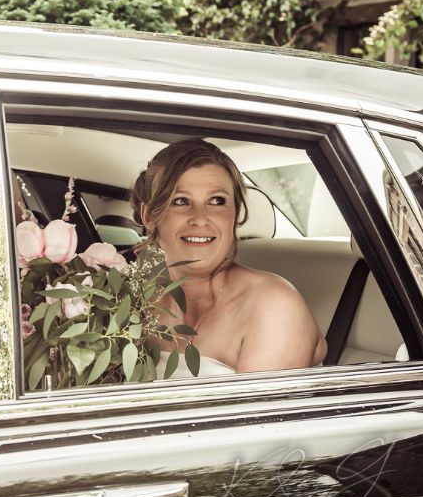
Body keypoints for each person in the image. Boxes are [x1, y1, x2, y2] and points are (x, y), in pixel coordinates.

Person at [131, 138, 326, 376]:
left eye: (217, 201)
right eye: (180, 201)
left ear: (234, 214)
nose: (200, 218)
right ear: (149, 215)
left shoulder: (273, 306)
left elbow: (257, 413)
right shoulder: (141, 305)